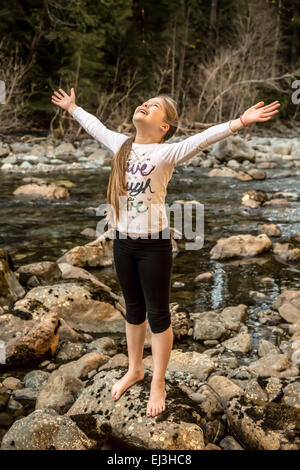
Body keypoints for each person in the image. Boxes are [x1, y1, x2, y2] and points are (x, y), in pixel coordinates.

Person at [51, 88, 280, 417]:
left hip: (154, 244)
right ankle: (134, 369)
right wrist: (73, 108)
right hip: (122, 242)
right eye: (144, 101)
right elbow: (96, 126)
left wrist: (241, 121)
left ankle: (157, 381)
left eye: (154, 106)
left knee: (157, 313)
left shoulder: (167, 153)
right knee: (132, 309)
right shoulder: (122, 145)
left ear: (165, 126)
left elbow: (202, 139)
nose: (144, 104)